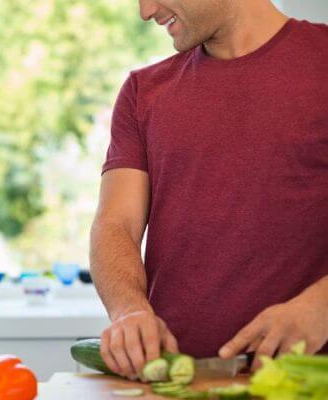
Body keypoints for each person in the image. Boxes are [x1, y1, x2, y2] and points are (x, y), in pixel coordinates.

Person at [89, 0, 328, 381]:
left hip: (307, 382)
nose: (146, 11)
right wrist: (129, 310)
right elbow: (116, 223)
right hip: (176, 383)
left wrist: (321, 308)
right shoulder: (143, 91)